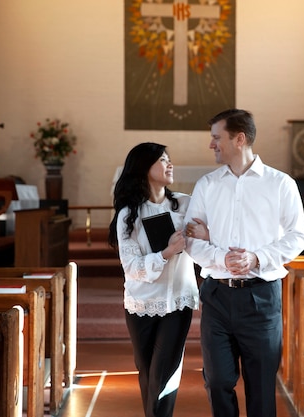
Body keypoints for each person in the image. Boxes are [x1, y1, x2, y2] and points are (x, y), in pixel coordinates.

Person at [184, 109, 304, 417]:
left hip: (261, 297)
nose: (211, 145)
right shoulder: (207, 185)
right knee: (217, 380)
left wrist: (257, 257)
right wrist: (221, 257)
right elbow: (189, 239)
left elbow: (298, 237)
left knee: (262, 386)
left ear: (239, 139)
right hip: (217, 296)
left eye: (217, 138)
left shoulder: (281, 184)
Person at [108, 142, 203, 417]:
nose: (170, 164)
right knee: (148, 373)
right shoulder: (129, 213)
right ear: (144, 168)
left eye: (169, 159)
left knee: (164, 375)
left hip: (178, 301)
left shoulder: (185, 204)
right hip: (141, 303)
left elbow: (204, 245)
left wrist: (203, 235)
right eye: (162, 160)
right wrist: (166, 252)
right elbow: (133, 268)